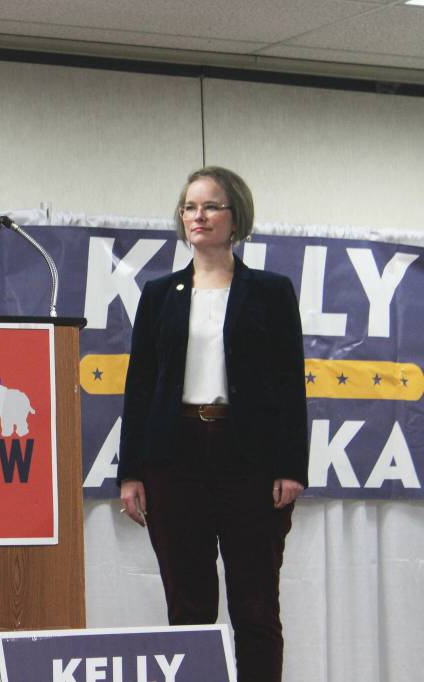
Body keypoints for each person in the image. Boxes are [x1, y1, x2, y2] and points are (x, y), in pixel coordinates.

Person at [117, 167, 308, 682]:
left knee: (255, 608)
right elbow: (139, 388)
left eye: (210, 206)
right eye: (189, 207)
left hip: (248, 461)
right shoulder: (160, 293)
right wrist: (130, 472)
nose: (197, 216)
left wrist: (292, 467)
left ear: (235, 216)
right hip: (174, 462)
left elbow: (290, 384)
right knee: (189, 607)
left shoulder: (270, 291)